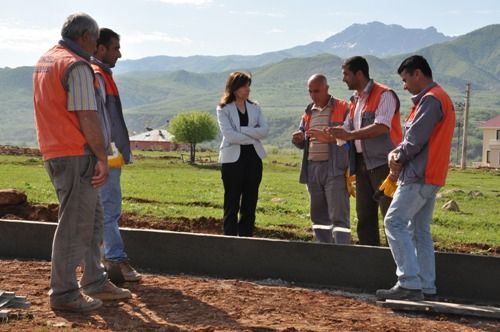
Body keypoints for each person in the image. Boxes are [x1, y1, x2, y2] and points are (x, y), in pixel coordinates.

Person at [33, 13, 131, 313]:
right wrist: (102, 157)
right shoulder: (77, 66)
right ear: (87, 37)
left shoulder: (48, 59)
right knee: (75, 225)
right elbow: (86, 114)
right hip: (76, 153)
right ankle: (63, 292)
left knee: (93, 218)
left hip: (58, 150)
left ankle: (94, 279)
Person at [376, 55, 455, 301]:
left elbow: (415, 140)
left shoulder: (431, 100)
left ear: (417, 73)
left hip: (419, 175)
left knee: (394, 222)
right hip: (432, 175)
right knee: (419, 229)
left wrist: (396, 158)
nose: (404, 85)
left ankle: (409, 283)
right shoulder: (440, 97)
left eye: (405, 79)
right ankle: (426, 285)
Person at [329, 56, 402, 246]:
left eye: (346, 74)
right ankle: (370, 263)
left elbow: (382, 127)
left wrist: (349, 135)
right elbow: (347, 130)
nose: (343, 78)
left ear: (359, 74)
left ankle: (396, 264)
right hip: (361, 165)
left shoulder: (384, 94)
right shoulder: (354, 100)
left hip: (385, 166)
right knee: (364, 216)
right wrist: (331, 134)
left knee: (390, 216)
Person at [91, 28, 141, 282]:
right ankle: (116, 261)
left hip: (106, 154)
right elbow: (99, 120)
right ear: (100, 49)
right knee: (108, 209)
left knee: (104, 209)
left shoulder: (102, 75)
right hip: (105, 156)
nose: (119, 54)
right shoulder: (98, 76)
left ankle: (100, 262)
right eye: (115, 48)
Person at [291, 74, 351, 244]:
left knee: (338, 216)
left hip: (335, 169)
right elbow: (303, 138)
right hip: (312, 169)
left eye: (316, 91)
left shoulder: (343, 107)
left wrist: (328, 137)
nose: (313, 95)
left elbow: (350, 139)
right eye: (310, 91)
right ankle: (323, 253)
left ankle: (342, 253)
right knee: (318, 215)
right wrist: (299, 140)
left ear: (327, 88)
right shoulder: (308, 111)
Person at [216, 71, 269, 237]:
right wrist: (253, 135)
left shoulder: (255, 107)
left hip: (254, 159)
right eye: (244, 86)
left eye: (248, 86)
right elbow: (229, 135)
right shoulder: (223, 109)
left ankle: (246, 239)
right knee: (231, 201)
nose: (248, 89)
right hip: (232, 161)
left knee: (250, 201)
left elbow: (265, 131)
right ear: (234, 87)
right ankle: (230, 239)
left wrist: (244, 131)